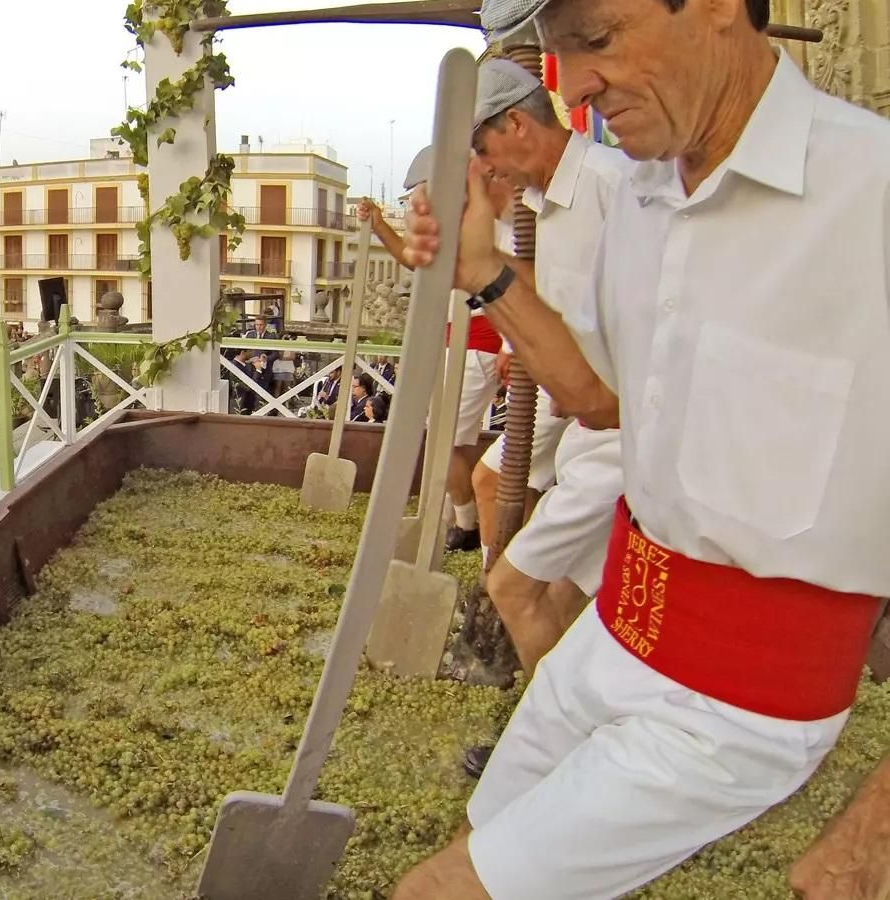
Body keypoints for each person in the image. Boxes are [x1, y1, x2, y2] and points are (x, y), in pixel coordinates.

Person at [393, 0, 890, 893]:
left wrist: (876, 832)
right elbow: (597, 398)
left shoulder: (874, 195)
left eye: (598, 40)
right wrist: (482, 275)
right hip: (617, 634)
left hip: (745, 700)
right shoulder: (640, 198)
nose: (574, 86)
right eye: (556, 58)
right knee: (488, 825)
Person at [456, 58, 632, 779]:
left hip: (623, 434)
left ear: (516, 127)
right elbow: (553, 304)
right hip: (590, 435)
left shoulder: (611, 190)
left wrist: (488, 272)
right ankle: (566, 731)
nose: (490, 171)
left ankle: (562, 756)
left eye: (487, 154)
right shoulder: (555, 202)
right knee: (561, 596)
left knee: (513, 586)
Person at [362, 149, 516, 552]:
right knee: (455, 442)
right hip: (462, 342)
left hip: (477, 343)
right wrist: (380, 226)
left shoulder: (499, 230)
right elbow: (416, 260)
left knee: (442, 441)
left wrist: (508, 345)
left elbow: (515, 287)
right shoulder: (466, 227)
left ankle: (467, 525)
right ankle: (456, 517)